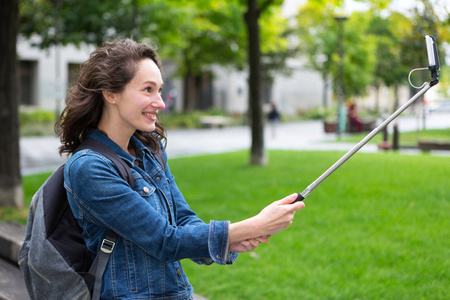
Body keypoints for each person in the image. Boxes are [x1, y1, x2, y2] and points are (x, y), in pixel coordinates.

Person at [57, 39, 305, 299]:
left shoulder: (150, 150)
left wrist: (230, 241)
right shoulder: (89, 167)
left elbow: (183, 219)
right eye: (148, 90)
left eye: (160, 90)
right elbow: (165, 241)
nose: (161, 102)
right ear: (111, 93)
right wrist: (251, 226)